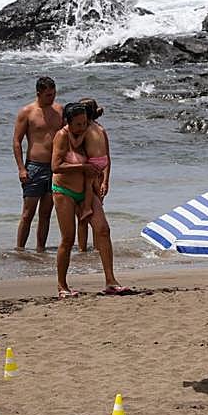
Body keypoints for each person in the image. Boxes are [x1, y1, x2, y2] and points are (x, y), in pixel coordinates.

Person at [50, 103, 131, 298]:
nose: (82, 127)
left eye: (85, 123)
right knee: (68, 239)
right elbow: (56, 165)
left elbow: (99, 157)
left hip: (86, 191)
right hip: (64, 191)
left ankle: (111, 281)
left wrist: (102, 178)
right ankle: (62, 286)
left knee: (103, 229)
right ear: (68, 123)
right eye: (78, 124)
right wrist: (82, 168)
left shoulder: (87, 133)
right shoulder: (62, 136)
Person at [12, 76, 63, 251]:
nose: (52, 98)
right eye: (48, 95)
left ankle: (40, 249)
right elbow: (17, 141)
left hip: (55, 168)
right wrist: (21, 168)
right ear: (38, 94)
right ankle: (20, 249)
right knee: (28, 213)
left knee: (46, 213)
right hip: (34, 167)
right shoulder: (27, 112)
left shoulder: (59, 111)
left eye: (54, 94)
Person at [75, 98, 109, 253]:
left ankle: (82, 249)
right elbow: (107, 157)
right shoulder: (101, 129)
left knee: (82, 218)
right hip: (101, 172)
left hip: (89, 173)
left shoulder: (83, 131)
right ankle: (97, 248)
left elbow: (79, 153)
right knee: (98, 215)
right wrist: (106, 181)